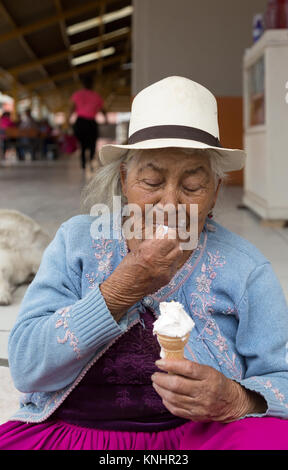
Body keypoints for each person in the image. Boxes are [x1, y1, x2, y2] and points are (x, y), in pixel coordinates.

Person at [1, 76, 288, 451]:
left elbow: (281, 378)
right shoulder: (77, 242)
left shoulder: (246, 269)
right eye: (151, 181)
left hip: (201, 436)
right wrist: (119, 290)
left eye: (191, 186)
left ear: (215, 192)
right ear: (124, 179)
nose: (169, 205)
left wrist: (236, 398)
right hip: (74, 432)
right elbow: (25, 367)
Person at [70, 75, 107, 171]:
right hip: (91, 122)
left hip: (80, 122)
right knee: (92, 144)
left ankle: (83, 163)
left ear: (83, 84)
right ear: (92, 85)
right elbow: (103, 110)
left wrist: (68, 119)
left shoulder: (77, 94)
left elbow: (72, 108)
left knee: (82, 144)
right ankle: (89, 161)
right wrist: (105, 119)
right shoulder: (96, 96)